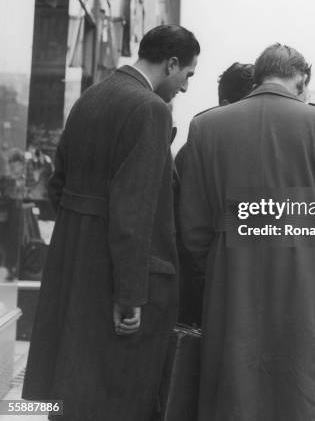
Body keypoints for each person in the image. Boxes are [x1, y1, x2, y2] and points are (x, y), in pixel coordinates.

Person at [179, 43, 315, 421]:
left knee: (235, 389)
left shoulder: (206, 126)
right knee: (306, 390)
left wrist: (218, 266)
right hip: (311, 279)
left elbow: (194, 230)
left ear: (258, 77)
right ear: (301, 81)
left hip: (232, 277)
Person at [22, 25, 200, 421]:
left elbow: (58, 183)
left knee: (72, 378)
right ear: (171, 63)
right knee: (117, 390)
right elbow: (133, 209)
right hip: (115, 270)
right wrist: (130, 294)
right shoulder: (151, 109)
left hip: (73, 258)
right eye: (187, 74)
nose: (185, 87)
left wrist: (78, 228)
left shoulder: (91, 97)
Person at [175, 62, 254, 326]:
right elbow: (190, 233)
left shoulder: (193, 151)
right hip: (203, 290)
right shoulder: (195, 152)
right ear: (224, 103)